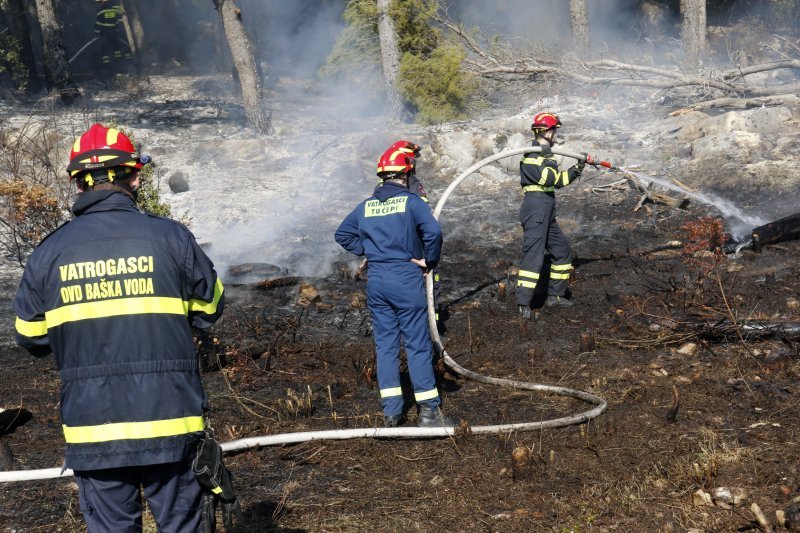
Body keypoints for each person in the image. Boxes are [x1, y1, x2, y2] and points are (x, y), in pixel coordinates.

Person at [13, 123, 225, 531]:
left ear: (78, 184)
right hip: (172, 421)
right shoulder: (172, 237)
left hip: (94, 428)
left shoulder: (48, 253)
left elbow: (29, 333)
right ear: (135, 176)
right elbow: (210, 306)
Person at [335, 146, 458, 428]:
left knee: (386, 346)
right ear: (407, 173)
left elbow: (342, 234)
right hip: (405, 277)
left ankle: (391, 412)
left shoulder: (365, 205)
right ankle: (429, 413)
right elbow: (434, 232)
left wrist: (365, 252)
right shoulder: (412, 202)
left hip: (377, 281)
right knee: (416, 345)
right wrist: (430, 260)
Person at [516, 112, 588, 317]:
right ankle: (524, 303)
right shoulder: (532, 156)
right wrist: (548, 155)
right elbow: (549, 178)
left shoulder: (542, 154)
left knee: (562, 251)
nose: (556, 133)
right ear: (545, 132)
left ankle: (556, 295)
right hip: (535, 208)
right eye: (554, 129)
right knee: (534, 256)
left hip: (546, 209)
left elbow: (558, 181)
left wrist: (578, 168)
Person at [372, 140, 447, 332]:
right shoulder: (410, 183)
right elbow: (424, 219)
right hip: (414, 247)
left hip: (388, 252)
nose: (413, 163)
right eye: (411, 159)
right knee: (428, 285)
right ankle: (432, 327)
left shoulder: (381, 187)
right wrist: (429, 257)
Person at [94, 0, 131, 71]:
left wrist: (96, 33)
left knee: (104, 48)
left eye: (99, 2)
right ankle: (119, 61)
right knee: (116, 47)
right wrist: (116, 30)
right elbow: (116, 21)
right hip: (113, 32)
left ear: (103, 2)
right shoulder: (113, 10)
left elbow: (98, 24)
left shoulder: (101, 11)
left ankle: (107, 65)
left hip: (104, 33)